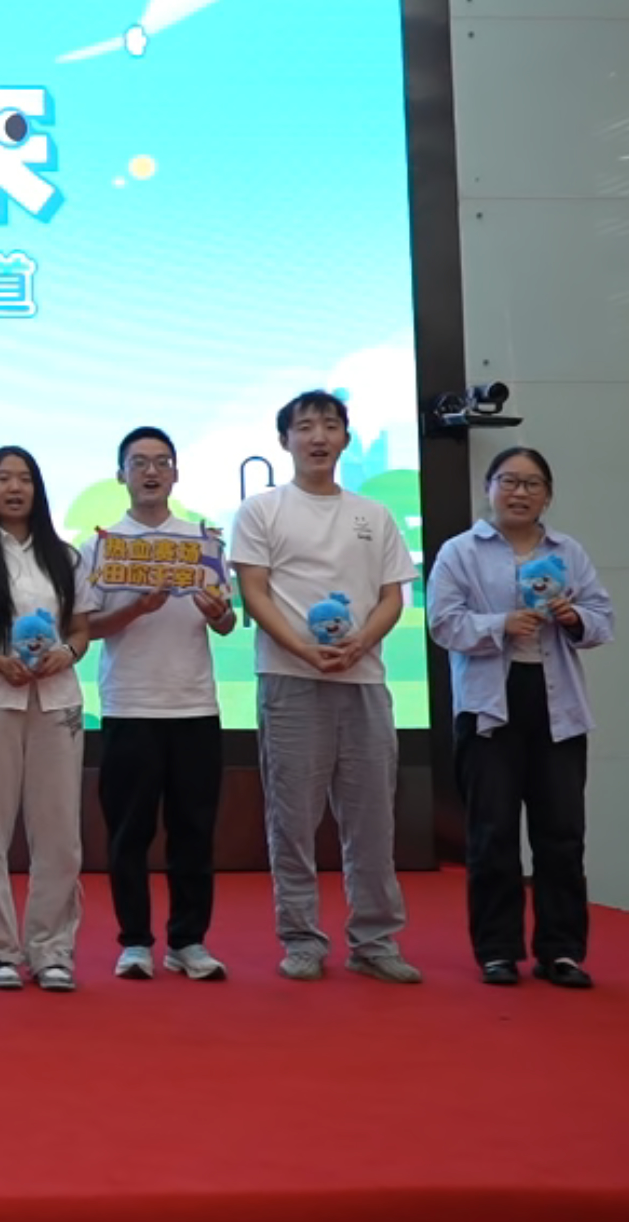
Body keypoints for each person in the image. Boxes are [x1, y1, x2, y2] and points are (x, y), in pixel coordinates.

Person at [229, 390, 422, 983]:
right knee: (292, 819)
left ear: (345, 439)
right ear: (284, 439)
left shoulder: (374, 515)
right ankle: (301, 938)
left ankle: (375, 941)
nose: (318, 437)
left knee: (372, 819)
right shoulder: (261, 510)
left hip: (364, 681)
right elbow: (254, 591)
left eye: (330, 426)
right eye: (305, 427)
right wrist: (301, 647)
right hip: (290, 680)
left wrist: (361, 643)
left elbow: (392, 595)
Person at [426, 447, 613, 988]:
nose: (520, 492)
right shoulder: (460, 551)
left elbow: (603, 619)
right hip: (489, 706)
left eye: (533, 484)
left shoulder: (568, 551)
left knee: (562, 835)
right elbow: (443, 624)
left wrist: (573, 616)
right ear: (488, 488)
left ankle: (562, 951)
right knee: (492, 833)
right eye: (508, 481)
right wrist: (500, 624)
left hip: (558, 707)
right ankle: (497, 950)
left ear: (547, 496)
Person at [81, 427, 238, 983]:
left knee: (194, 830)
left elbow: (227, 622)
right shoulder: (102, 546)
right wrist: (135, 609)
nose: (151, 472)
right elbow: (87, 628)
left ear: (175, 473)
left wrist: (218, 613)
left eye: (162, 462)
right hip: (129, 705)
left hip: (194, 706)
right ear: (120, 474)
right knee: (129, 832)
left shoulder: (203, 542)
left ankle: (188, 941)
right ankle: (134, 943)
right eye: (139, 463)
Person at [0, 446, 94, 992]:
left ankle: (52, 949)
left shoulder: (66, 557)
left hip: (58, 703)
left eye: (24, 478)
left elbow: (81, 631)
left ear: (37, 489)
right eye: (3, 479)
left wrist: (67, 654)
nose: (14, 488)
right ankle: (0, 948)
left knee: (59, 833)